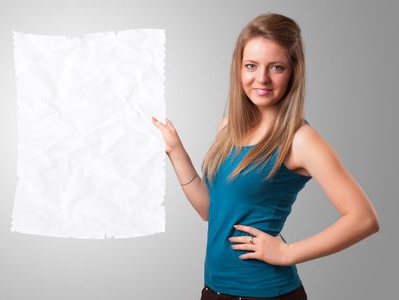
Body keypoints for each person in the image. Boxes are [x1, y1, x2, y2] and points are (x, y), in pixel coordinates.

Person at [151, 12, 380, 300]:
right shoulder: (229, 126)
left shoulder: (300, 139)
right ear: (238, 68)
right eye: (251, 65)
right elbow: (210, 210)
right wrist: (175, 150)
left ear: (293, 71)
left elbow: (364, 218)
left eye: (276, 67)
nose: (262, 78)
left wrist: (287, 252)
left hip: (266, 293)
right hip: (214, 290)